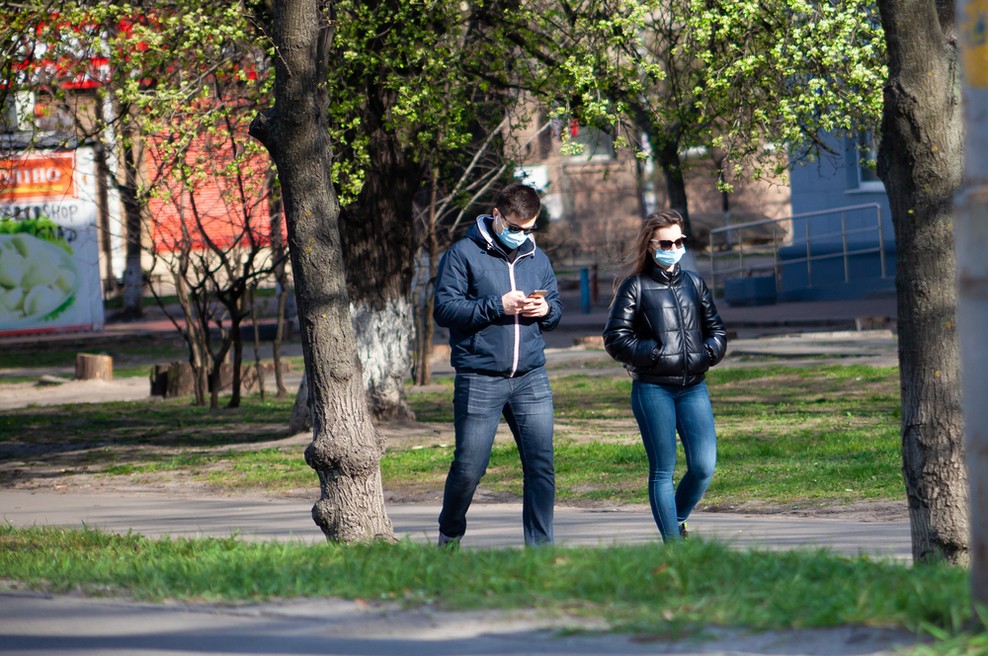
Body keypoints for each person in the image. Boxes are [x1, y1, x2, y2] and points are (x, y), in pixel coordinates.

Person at [433, 183, 563, 548]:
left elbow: (555, 306)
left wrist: (547, 309)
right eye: (515, 227)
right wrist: (496, 306)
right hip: (480, 377)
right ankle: (450, 533)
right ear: (497, 215)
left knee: (540, 466)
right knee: (469, 469)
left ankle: (540, 550)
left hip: (531, 378)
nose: (522, 236)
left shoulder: (538, 258)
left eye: (529, 229)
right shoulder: (462, 254)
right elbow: (445, 310)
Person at [602, 210, 727, 542]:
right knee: (662, 471)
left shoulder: (694, 283)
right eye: (667, 242)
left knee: (703, 466)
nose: (674, 247)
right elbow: (615, 339)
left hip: (693, 388)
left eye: (680, 241)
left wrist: (709, 352)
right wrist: (655, 353)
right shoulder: (636, 287)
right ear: (651, 245)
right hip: (653, 389)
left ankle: (678, 518)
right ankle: (674, 546)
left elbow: (717, 329)